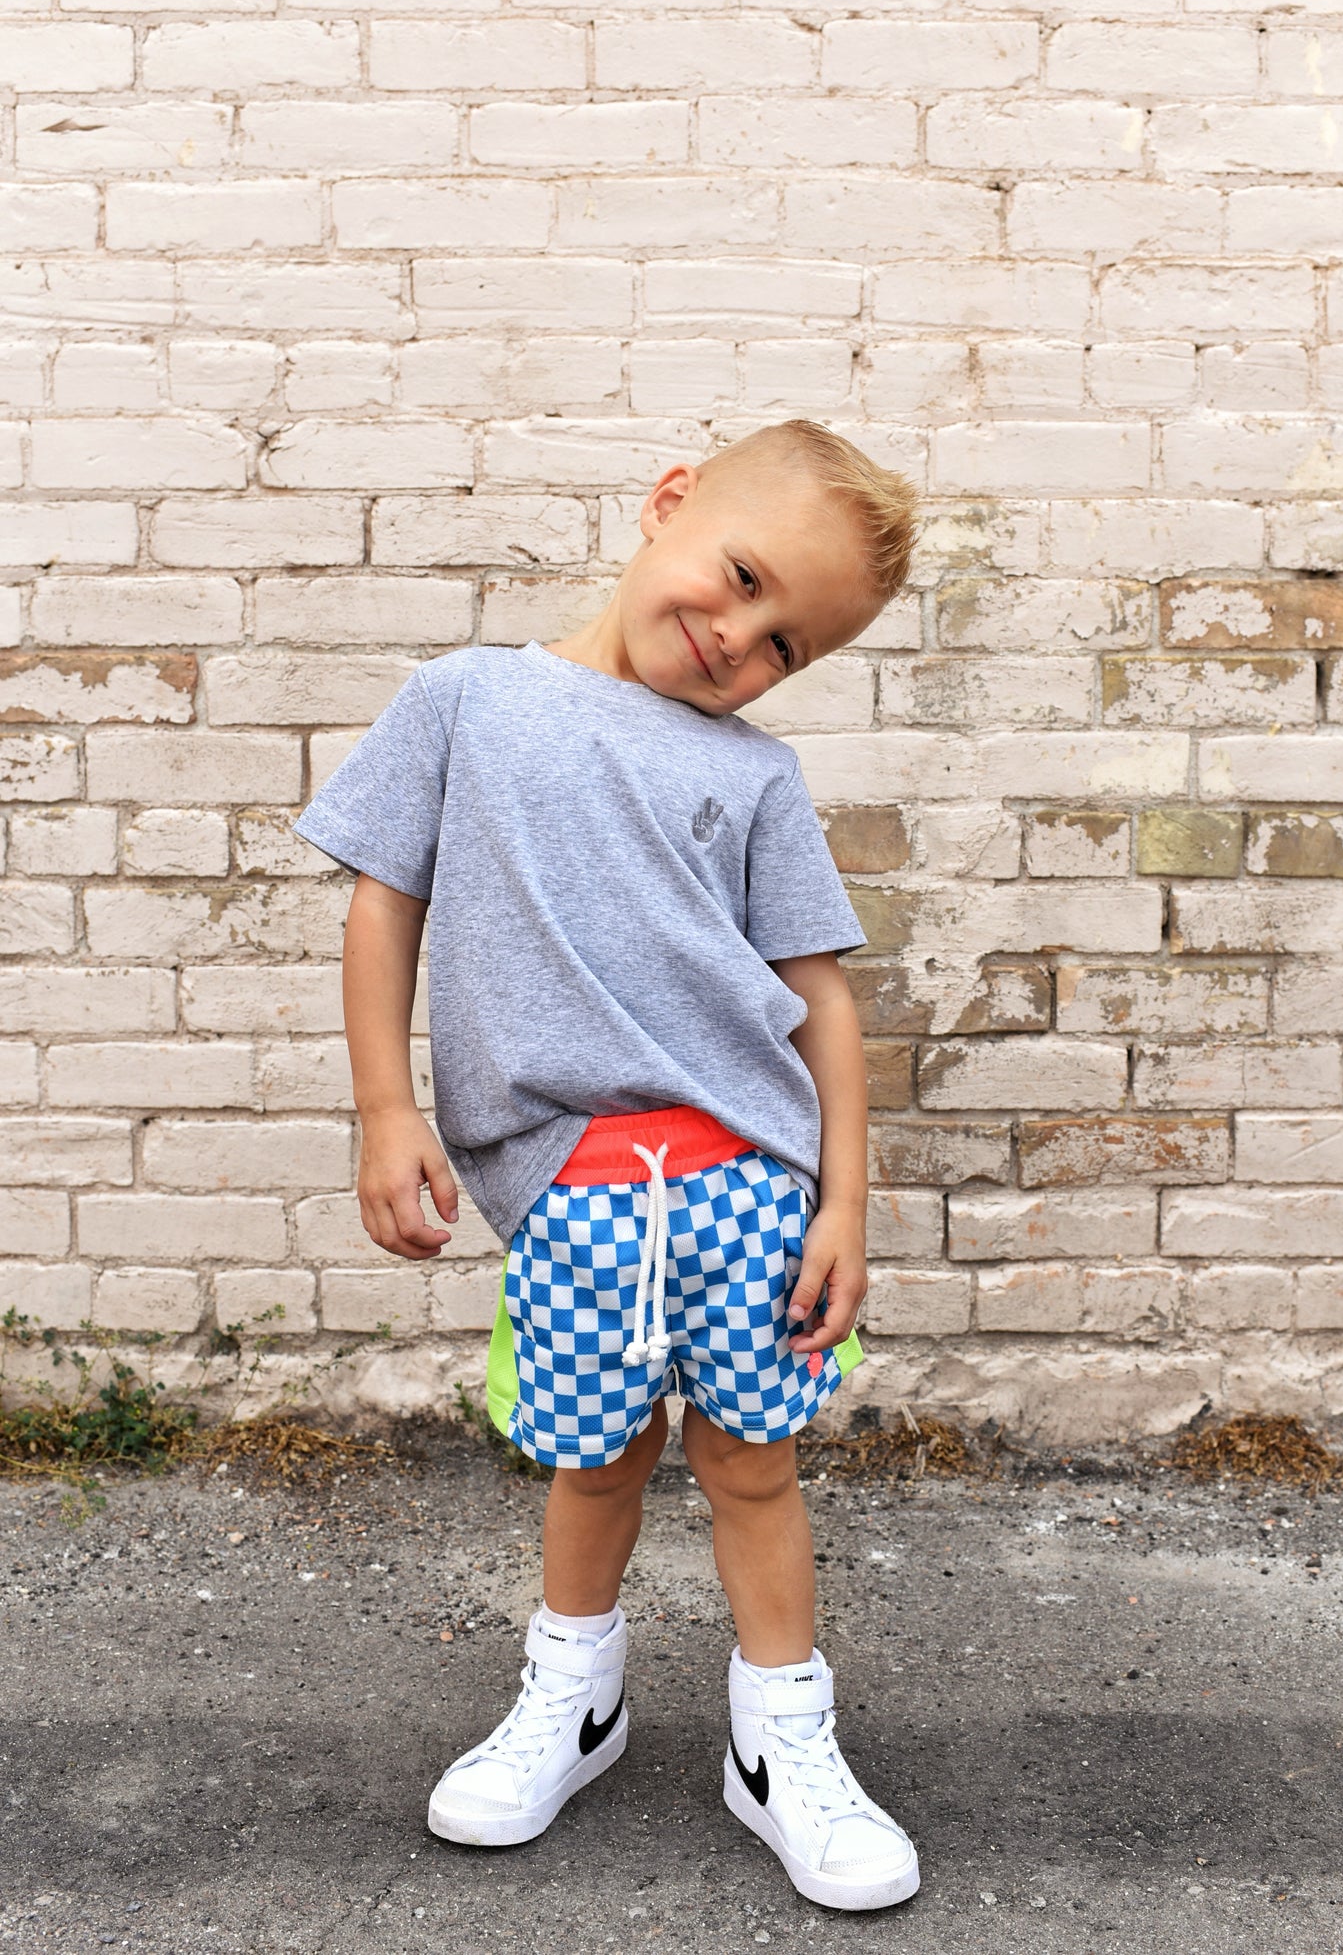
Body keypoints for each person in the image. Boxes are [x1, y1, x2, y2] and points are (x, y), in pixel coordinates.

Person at [293, 419, 921, 1912]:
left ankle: (782, 1745)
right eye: (742, 578)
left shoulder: (754, 781)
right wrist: (387, 1112)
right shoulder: (464, 702)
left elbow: (819, 995)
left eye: (785, 645)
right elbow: (383, 906)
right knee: (594, 1451)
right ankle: (573, 1701)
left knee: (749, 1464)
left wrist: (842, 1200)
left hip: (749, 1180)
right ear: (669, 503)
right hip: (572, 1181)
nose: (736, 639)